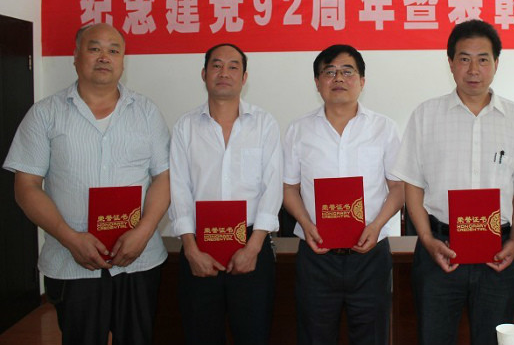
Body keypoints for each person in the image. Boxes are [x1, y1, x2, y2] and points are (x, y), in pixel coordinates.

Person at [3, 23, 170, 345]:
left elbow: (163, 177)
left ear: (123, 61)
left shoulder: (146, 112)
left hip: (138, 258)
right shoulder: (45, 114)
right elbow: (26, 186)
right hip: (72, 260)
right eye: (94, 49)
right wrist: (70, 238)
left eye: (114, 50)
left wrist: (145, 230)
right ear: (76, 57)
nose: (104, 57)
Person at [393, 19, 514, 345]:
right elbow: (413, 184)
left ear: (496, 63)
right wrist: (426, 238)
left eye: (483, 59)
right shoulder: (426, 115)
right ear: (450, 63)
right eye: (464, 59)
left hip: (498, 253)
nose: (474, 69)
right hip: (438, 250)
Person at [283, 44, 404, 345]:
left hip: (370, 256)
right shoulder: (298, 130)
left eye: (347, 71)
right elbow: (288, 188)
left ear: (362, 81)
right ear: (317, 82)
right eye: (329, 72)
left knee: (372, 337)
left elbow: (399, 188)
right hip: (317, 256)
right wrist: (306, 223)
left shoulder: (384, 128)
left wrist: (376, 226)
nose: (338, 78)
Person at [168, 43, 282, 345]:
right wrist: (191, 250)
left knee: (254, 335)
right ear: (204, 74)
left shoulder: (264, 124)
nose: (224, 73)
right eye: (217, 65)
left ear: (244, 78)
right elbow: (178, 188)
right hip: (199, 248)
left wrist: (253, 247)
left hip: (252, 245)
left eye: (233, 67)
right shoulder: (185, 127)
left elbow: (272, 187)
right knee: (201, 335)